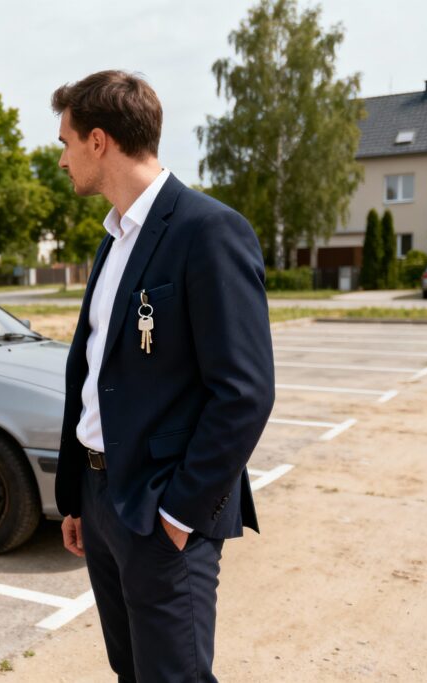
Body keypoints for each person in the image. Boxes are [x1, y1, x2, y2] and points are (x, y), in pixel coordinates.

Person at [52, 70, 275, 682]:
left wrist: (180, 515)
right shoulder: (112, 240)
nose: (63, 159)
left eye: (66, 142)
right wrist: (77, 494)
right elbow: (95, 371)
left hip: (161, 510)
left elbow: (245, 391)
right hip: (101, 503)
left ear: (99, 141)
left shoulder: (209, 231)